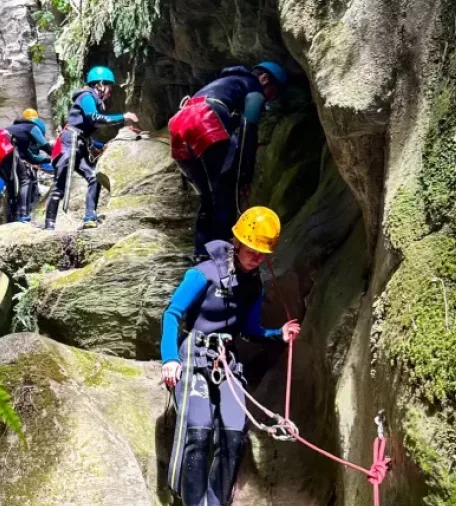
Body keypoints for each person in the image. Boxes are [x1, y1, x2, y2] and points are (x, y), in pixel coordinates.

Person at [161, 206, 300, 506]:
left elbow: (250, 330)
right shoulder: (204, 273)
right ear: (238, 242)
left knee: (234, 435)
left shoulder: (253, 285)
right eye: (253, 250)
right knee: (198, 434)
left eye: (263, 253)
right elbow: (172, 314)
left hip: (227, 360)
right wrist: (170, 358)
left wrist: (278, 334)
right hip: (195, 356)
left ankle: (217, 501)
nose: (258, 258)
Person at [169, 62, 288, 260]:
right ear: (265, 79)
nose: (268, 100)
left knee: (208, 197)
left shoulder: (224, 83)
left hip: (179, 122)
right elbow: (249, 128)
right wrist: (245, 174)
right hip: (205, 119)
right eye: (272, 93)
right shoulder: (253, 87)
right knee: (226, 192)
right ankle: (223, 254)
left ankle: (201, 254)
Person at [43, 66, 139, 230]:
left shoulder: (93, 100)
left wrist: (105, 144)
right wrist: (123, 117)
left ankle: (89, 217)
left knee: (94, 177)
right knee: (60, 186)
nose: (110, 91)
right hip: (69, 143)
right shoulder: (87, 96)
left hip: (79, 143)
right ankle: (49, 225)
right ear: (100, 84)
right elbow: (94, 118)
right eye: (108, 86)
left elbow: (86, 130)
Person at [0, 116, 52, 223]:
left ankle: (12, 218)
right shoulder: (32, 127)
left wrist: (48, 159)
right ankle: (23, 215)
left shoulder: (18, 134)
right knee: (25, 179)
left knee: (11, 182)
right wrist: (56, 155)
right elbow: (45, 145)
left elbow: (32, 158)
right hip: (4, 145)